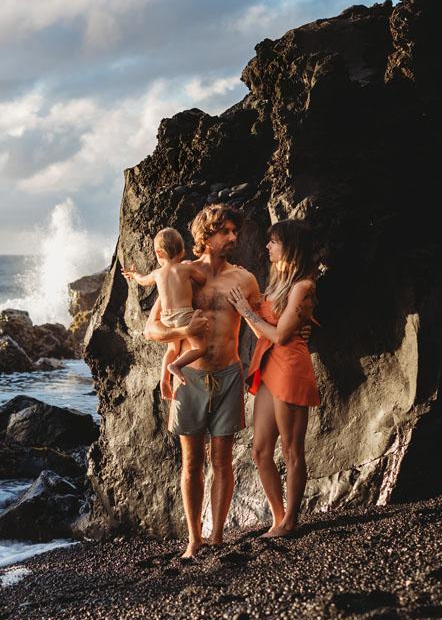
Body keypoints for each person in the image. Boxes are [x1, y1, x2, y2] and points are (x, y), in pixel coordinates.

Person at [143, 204, 259, 558]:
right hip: (189, 377)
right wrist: (182, 329)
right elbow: (152, 329)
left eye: (234, 232)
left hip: (228, 375)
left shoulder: (244, 279)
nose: (233, 238)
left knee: (223, 460)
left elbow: (260, 326)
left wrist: (255, 367)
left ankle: (218, 536)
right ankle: (194, 540)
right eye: (225, 231)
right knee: (192, 462)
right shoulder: (180, 274)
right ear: (205, 236)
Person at [226, 219, 319, 538]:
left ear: (289, 246)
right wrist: (243, 309)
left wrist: (248, 312)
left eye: (274, 241)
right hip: (268, 366)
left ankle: (291, 521)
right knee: (260, 450)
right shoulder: (277, 285)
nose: (267, 247)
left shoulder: (303, 286)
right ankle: (278, 518)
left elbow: (280, 335)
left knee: (293, 450)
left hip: (291, 366)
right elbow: (264, 333)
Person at [121, 228, 207, 403]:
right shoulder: (185, 268)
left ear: (158, 252)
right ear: (182, 251)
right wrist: (193, 270)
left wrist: (134, 275)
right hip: (184, 314)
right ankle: (176, 365)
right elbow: (203, 280)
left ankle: (165, 381)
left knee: (172, 349)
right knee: (200, 348)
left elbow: (143, 280)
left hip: (166, 317)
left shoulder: (157, 274)